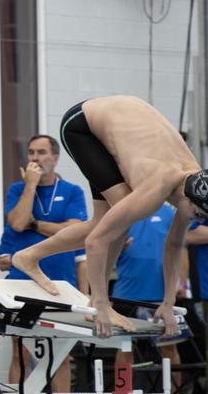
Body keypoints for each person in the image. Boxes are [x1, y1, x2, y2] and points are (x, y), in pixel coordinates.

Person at [12, 96, 208, 337]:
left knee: (106, 222)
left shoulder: (193, 183)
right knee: (117, 221)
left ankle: (29, 256)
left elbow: (175, 244)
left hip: (115, 124)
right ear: (187, 198)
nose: (198, 220)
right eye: (198, 214)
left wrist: (168, 303)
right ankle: (97, 300)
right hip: (82, 126)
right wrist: (102, 306)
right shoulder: (155, 190)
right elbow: (95, 242)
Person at [2, 135, 89, 394]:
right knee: (21, 353)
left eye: (41, 152)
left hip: (59, 283)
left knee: (61, 354)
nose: (35, 158)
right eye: (31, 152)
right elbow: (17, 223)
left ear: (55, 157)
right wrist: (30, 185)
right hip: (22, 284)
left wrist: (36, 225)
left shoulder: (72, 191)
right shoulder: (17, 190)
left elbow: (75, 232)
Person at [111, 203, 191, 394]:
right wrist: (118, 248)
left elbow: (181, 248)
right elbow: (104, 249)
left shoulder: (170, 213)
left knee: (169, 347)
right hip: (126, 293)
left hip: (161, 295)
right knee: (125, 348)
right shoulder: (123, 211)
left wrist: (181, 282)